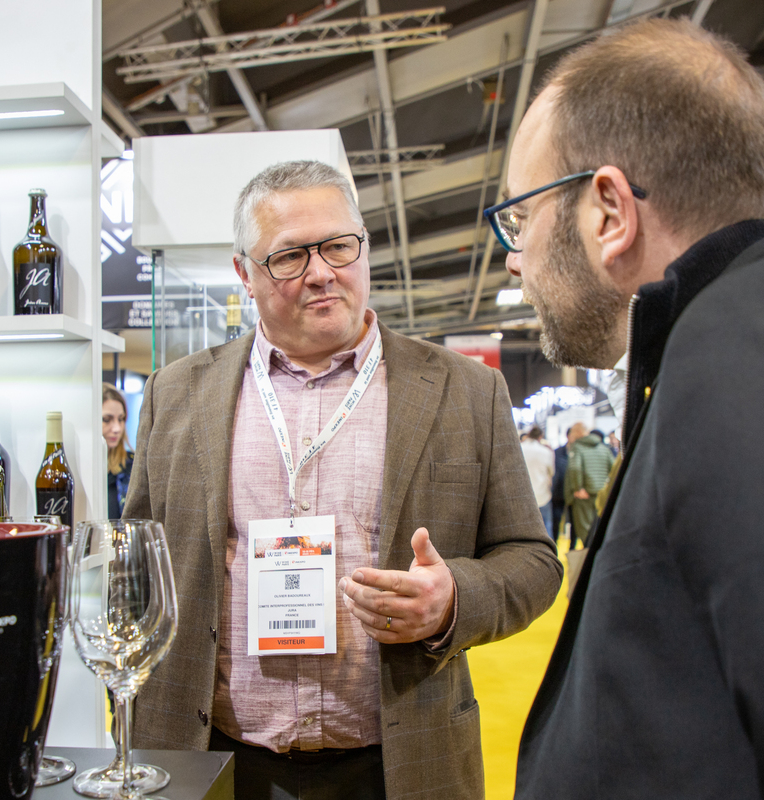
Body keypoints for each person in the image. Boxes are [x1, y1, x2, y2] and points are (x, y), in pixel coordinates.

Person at [124, 160, 562, 800]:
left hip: (400, 762)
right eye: (290, 256)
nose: (321, 271)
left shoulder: (465, 390)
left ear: (363, 246)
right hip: (214, 759)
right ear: (245, 273)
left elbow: (532, 559)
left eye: (337, 246)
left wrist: (451, 601)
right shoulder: (176, 394)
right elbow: (141, 564)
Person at [487, 18, 764, 798]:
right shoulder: (715, 341)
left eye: (521, 219)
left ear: (609, 213)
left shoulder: (736, 358)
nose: (515, 259)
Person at [563, 428, 614, 549]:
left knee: (585, 529)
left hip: (584, 495)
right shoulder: (604, 448)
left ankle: (589, 555)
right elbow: (613, 468)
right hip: (601, 494)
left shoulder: (578, 447)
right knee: (599, 527)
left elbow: (575, 468)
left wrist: (578, 488)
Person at [102, 382, 133, 518]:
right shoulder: (81, 470)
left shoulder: (133, 466)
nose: (117, 429)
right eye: (107, 420)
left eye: (121, 419)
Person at [520, 426, 554, 536]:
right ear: (540, 437)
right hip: (541, 495)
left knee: (523, 530)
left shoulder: (519, 448)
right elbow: (551, 472)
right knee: (546, 528)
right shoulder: (546, 451)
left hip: (522, 496)